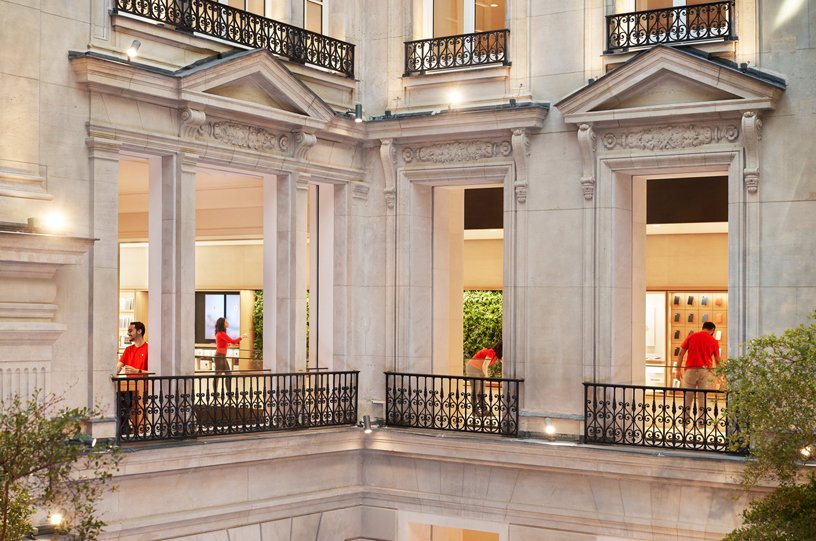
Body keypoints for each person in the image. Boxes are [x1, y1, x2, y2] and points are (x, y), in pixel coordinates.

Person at [674, 322, 722, 427]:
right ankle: (701, 425)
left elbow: (680, 353)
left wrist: (678, 370)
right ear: (712, 329)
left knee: (687, 397)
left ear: (703, 327)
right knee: (702, 398)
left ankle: (684, 424)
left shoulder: (691, 336)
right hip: (705, 371)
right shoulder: (713, 341)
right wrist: (719, 375)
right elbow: (717, 360)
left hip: (690, 370)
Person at [116, 322, 148, 435]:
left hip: (143, 389)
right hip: (129, 388)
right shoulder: (128, 349)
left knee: (122, 405)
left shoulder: (148, 349)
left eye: (130, 331)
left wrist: (136, 371)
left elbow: (154, 373)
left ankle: (125, 430)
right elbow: (118, 367)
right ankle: (125, 429)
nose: (128, 333)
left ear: (139, 331)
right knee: (117, 401)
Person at [213, 317, 249, 402]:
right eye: (226, 322)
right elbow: (233, 341)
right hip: (219, 356)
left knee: (228, 373)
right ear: (223, 324)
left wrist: (226, 344)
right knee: (217, 375)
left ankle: (228, 392)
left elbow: (223, 343)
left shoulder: (220, 333)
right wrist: (242, 336)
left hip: (222, 356)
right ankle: (215, 393)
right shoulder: (221, 333)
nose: (228, 323)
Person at [466, 340, 502, 417]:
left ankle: (484, 411)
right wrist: (485, 376)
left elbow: (504, 361)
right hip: (472, 367)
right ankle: (474, 411)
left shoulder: (497, 355)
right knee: (476, 389)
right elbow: (485, 365)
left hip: (479, 369)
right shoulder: (491, 352)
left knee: (482, 390)